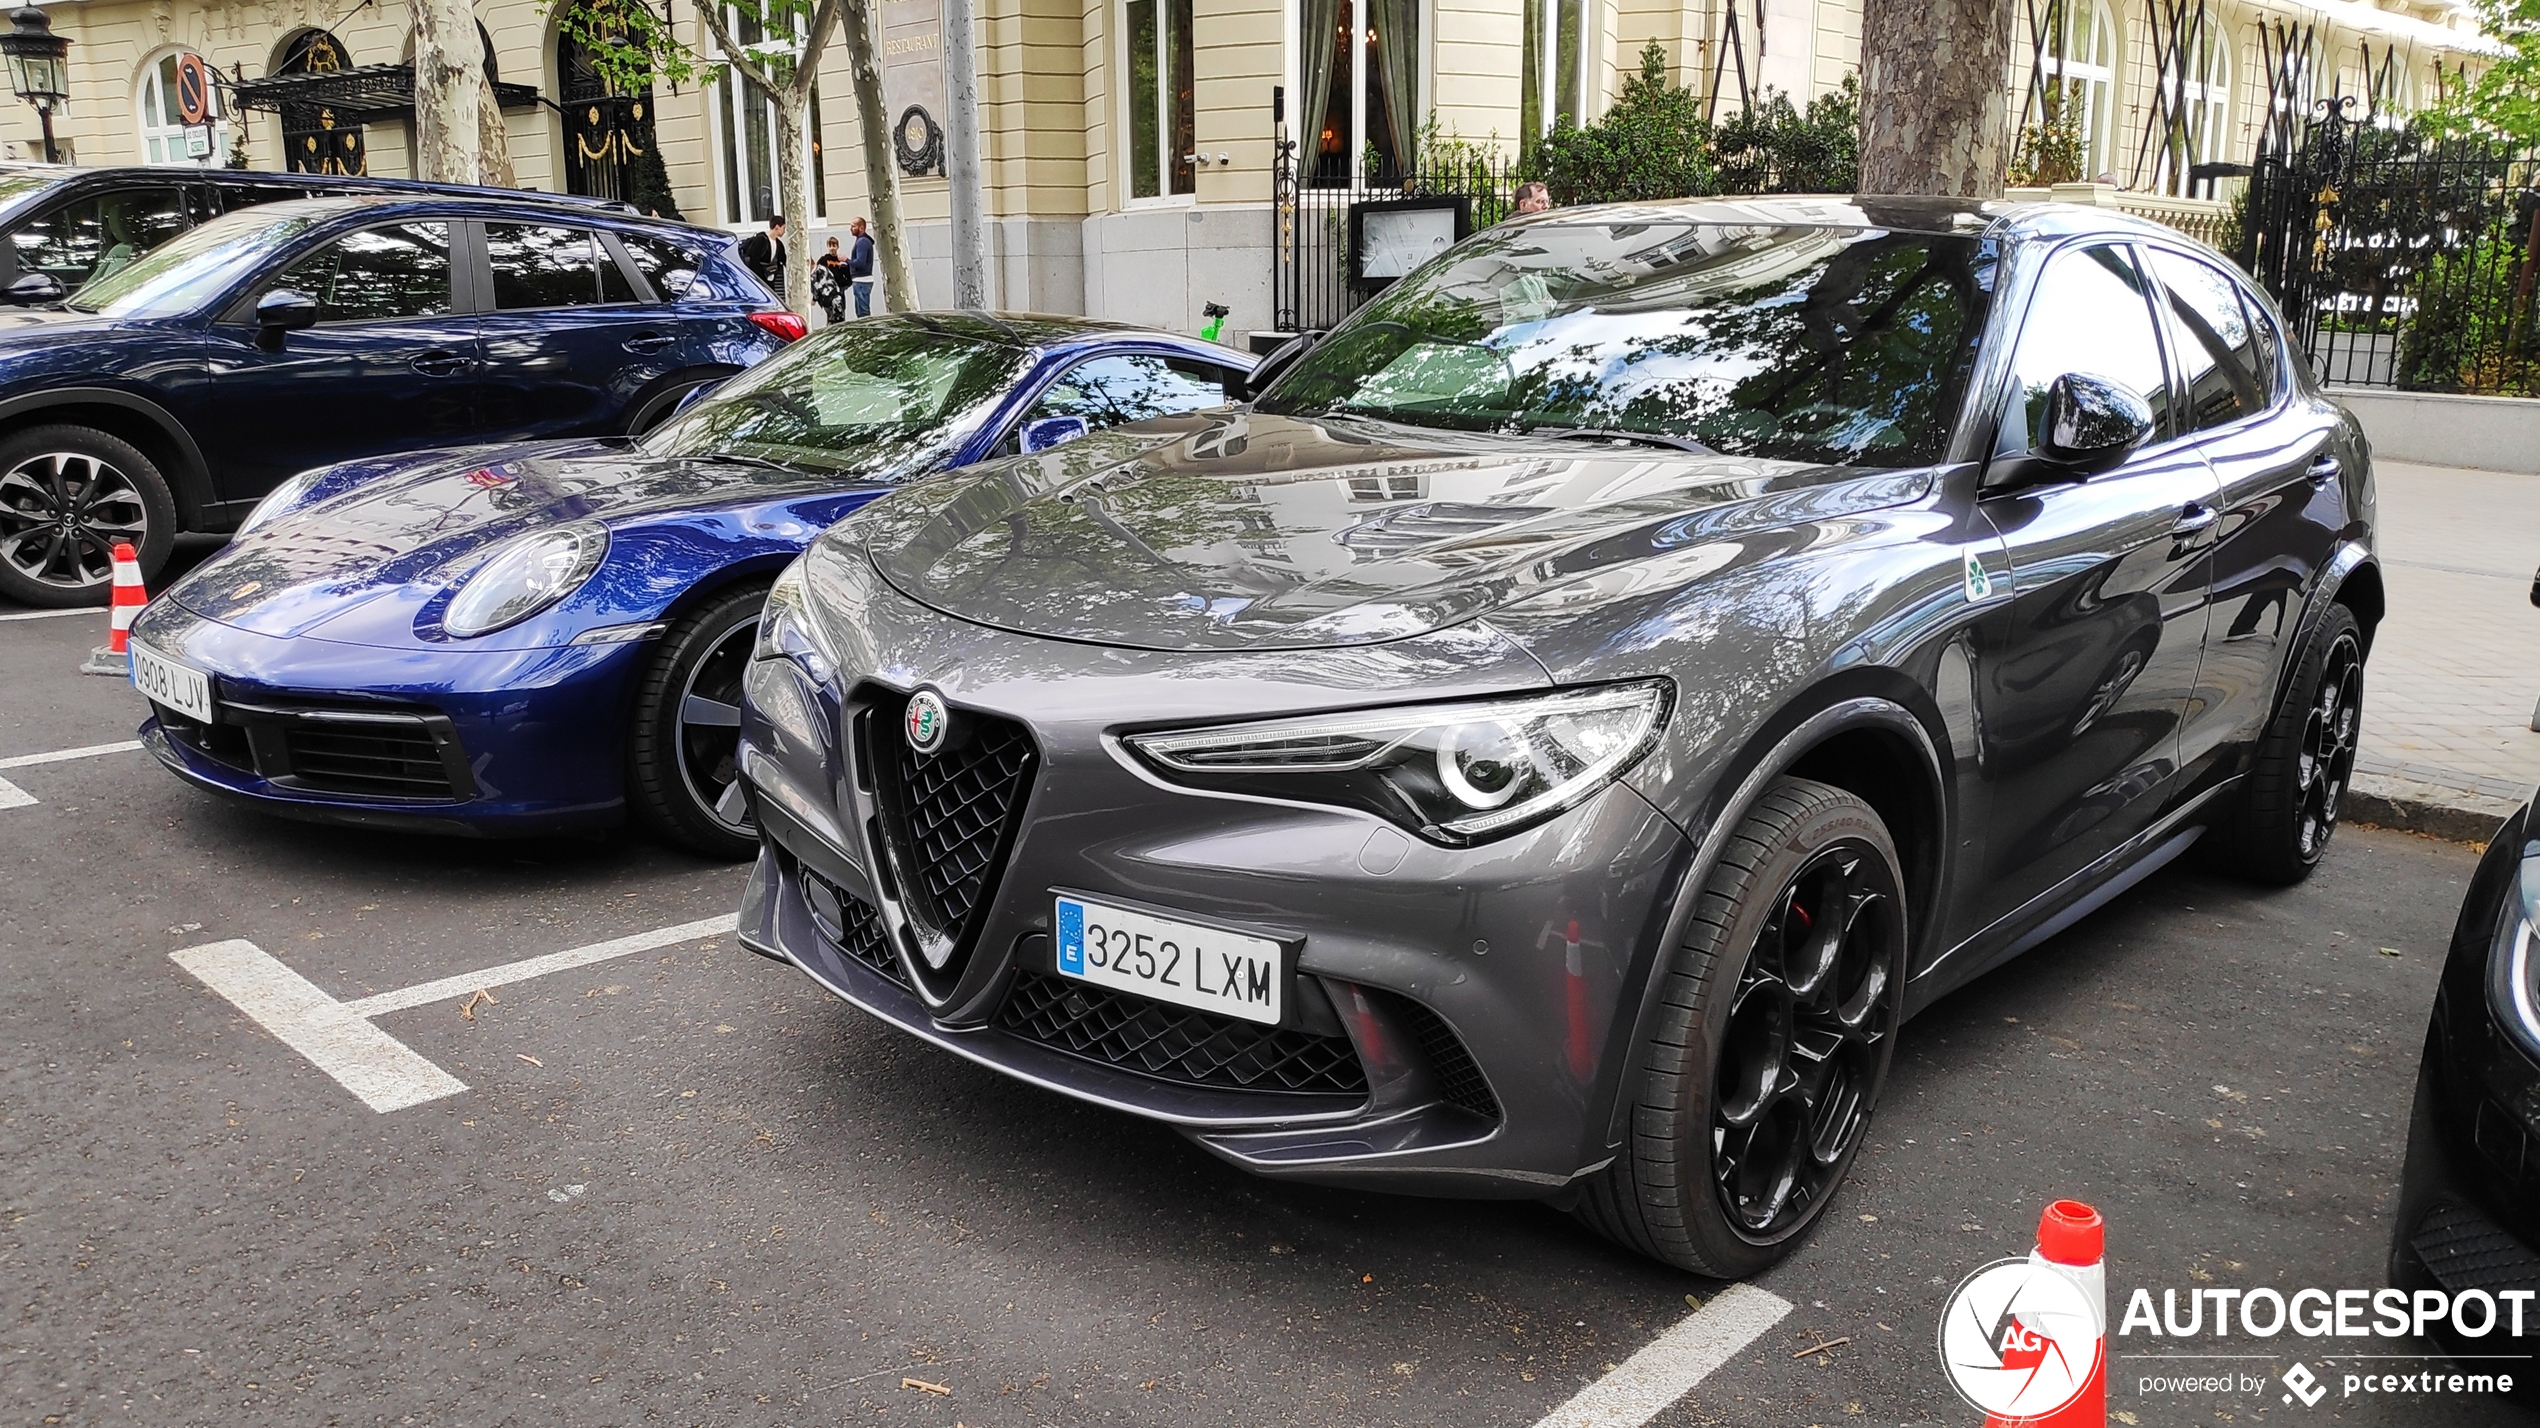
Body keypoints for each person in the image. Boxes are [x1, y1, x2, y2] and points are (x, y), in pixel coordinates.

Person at [736, 214, 787, 290]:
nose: (784, 231)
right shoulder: (760, 240)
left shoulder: (779, 244)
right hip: (759, 281)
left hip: (770, 280)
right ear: (777, 227)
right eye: (783, 228)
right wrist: (760, 277)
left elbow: (784, 260)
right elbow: (753, 261)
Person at [811, 236, 848, 325]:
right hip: (828, 292)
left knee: (840, 313)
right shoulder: (823, 260)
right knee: (831, 315)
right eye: (830, 245)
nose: (832, 248)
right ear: (827, 246)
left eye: (834, 245)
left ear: (837, 246)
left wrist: (843, 285)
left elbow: (847, 276)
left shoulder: (841, 260)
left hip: (839, 290)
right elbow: (818, 278)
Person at [846, 217, 875, 318]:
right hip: (862, 280)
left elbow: (860, 262)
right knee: (861, 312)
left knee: (863, 313)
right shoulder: (863, 241)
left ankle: (867, 331)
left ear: (861, 228)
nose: (851, 228)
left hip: (862, 280)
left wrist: (846, 260)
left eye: (853, 226)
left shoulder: (862, 242)